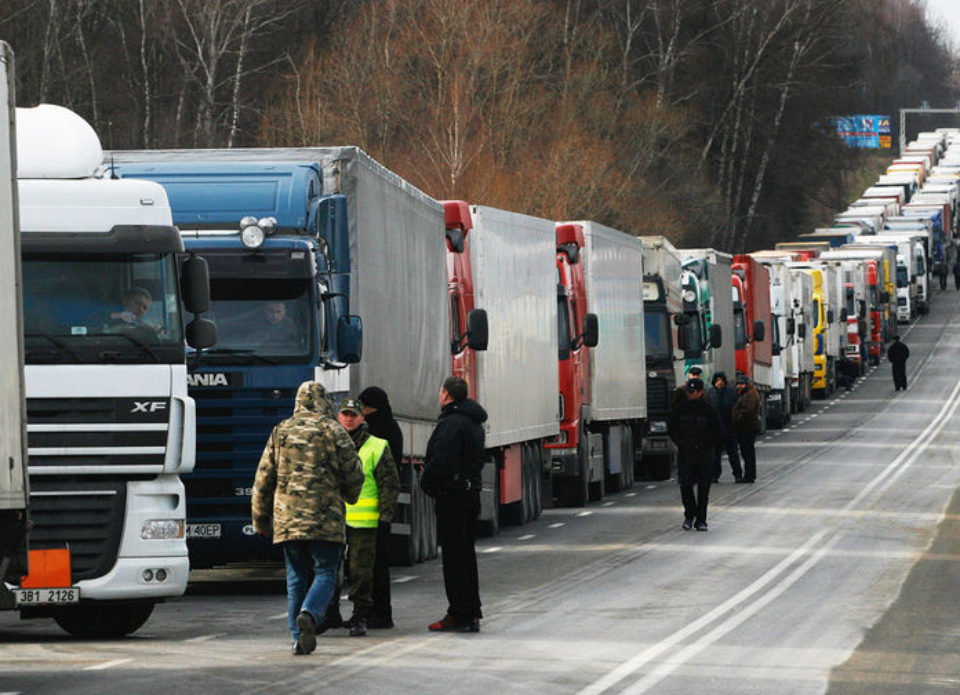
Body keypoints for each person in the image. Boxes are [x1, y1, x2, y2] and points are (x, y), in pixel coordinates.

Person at [250, 381, 364, 656]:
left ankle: (297, 638)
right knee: (325, 572)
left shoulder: (281, 431)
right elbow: (354, 472)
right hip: (326, 518)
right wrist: (350, 495)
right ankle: (310, 614)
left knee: (295, 577)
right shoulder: (334, 431)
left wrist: (261, 521)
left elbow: (263, 479)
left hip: (288, 519)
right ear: (326, 403)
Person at [420, 376, 487, 632]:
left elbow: (442, 461)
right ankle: (471, 612)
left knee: (454, 559)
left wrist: (428, 483)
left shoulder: (451, 424)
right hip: (470, 494)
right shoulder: (474, 422)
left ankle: (459, 613)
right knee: (466, 556)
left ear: (447, 395)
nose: (439, 396)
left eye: (440, 391)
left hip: (453, 496)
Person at [332, 397, 400, 637]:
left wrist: (385, 517)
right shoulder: (329, 444)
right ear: (338, 417)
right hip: (333, 520)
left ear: (362, 418)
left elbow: (389, 485)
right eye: (345, 414)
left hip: (365, 522)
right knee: (329, 569)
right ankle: (330, 614)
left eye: (353, 415)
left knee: (361, 572)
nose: (349, 419)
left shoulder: (377, 446)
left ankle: (360, 615)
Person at [358, 385, 404, 629]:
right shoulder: (392, 427)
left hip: (370, 507)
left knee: (372, 565)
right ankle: (378, 612)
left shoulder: (374, 431)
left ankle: (378, 613)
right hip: (382, 506)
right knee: (377, 563)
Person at [668, 378, 722, 531]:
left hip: (705, 455)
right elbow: (672, 428)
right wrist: (681, 443)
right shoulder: (681, 409)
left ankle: (701, 520)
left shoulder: (709, 410)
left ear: (700, 392)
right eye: (688, 391)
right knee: (685, 486)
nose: (690, 394)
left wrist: (706, 444)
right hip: (686, 454)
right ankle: (689, 514)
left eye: (693, 392)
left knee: (704, 490)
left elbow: (717, 431)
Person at [706, 372, 742, 483]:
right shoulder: (710, 393)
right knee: (715, 455)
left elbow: (736, 408)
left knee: (733, 453)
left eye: (721, 380)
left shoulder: (731, 393)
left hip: (730, 428)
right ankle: (714, 475)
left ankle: (737, 474)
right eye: (717, 380)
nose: (719, 383)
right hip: (716, 429)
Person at [732, 375, 761, 483]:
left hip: (747, 428)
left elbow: (748, 411)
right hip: (744, 427)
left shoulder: (751, 394)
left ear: (746, 384)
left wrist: (738, 417)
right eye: (738, 384)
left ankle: (750, 475)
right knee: (746, 452)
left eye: (741, 384)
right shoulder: (746, 394)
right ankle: (749, 474)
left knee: (748, 452)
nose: (739, 386)